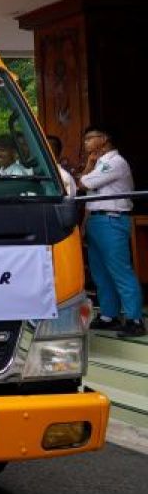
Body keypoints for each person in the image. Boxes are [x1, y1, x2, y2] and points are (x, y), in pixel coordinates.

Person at [78, 125, 144, 337]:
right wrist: (85, 225)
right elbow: (86, 194)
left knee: (120, 271)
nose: (86, 142)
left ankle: (135, 318)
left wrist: (88, 168)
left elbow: (83, 183)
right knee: (100, 272)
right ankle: (109, 315)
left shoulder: (115, 162)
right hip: (96, 220)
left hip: (112, 220)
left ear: (104, 138)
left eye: (90, 138)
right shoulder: (99, 164)